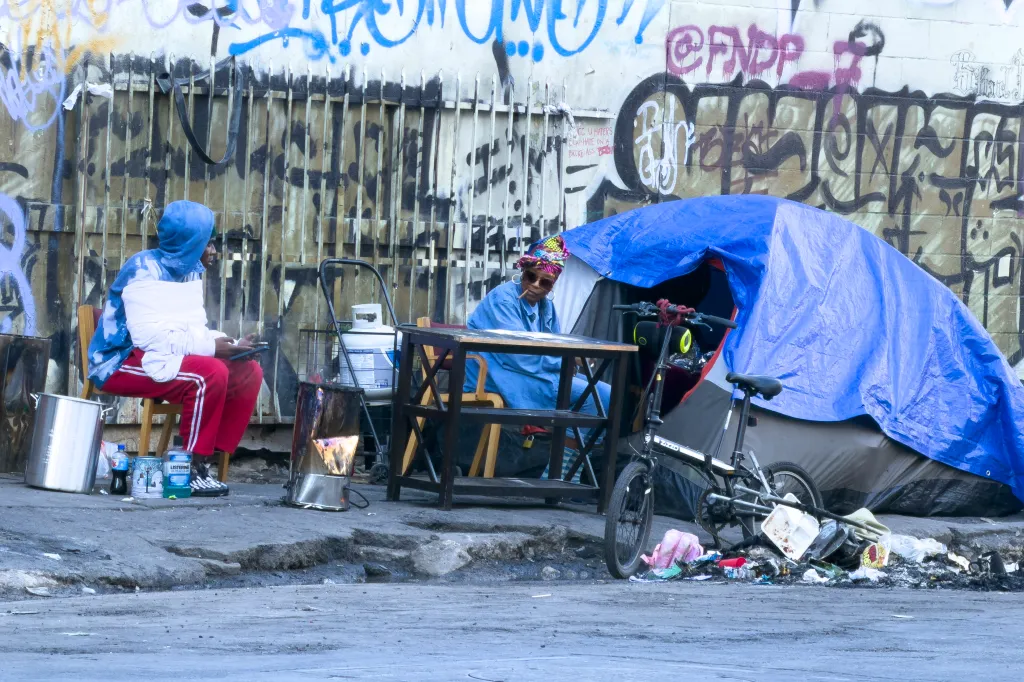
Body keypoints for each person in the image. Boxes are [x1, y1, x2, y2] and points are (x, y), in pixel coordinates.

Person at [87, 200, 263, 497]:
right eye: (207, 244)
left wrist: (232, 345)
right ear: (188, 243)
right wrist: (210, 348)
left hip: (161, 353)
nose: (213, 251)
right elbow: (148, 339)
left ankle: (209, 462)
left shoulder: (189, 271)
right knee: (209, 373)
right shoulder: (144, 269)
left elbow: (192, 329)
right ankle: (190, 465)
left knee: (249, 371)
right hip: (120, 358)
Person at [464, 235, 611, 442]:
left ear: (552, 286)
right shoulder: (503, 299)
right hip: (497, 375)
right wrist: (569, 359)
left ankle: (564, 467)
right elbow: (518, 355)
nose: (535, 285)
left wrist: (572, 361)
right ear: (523, 272)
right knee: (598, 395)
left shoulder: (546, 307)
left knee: (604, 394)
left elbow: (557, 345)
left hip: (533, 373)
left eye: (545, 283)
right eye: (531, 276)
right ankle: (563, 468)